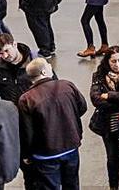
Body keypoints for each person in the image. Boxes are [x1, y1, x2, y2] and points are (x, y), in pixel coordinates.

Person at [16, 57, 87, 188]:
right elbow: (82, 107)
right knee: (72, 184)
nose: (51, 67)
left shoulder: (26, 99)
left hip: (45, 154)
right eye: (48, 66)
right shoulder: (67, 85)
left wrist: (26, 154)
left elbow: (27, 131)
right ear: (43, 72)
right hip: (71, 146)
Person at [88, 46, 119, 190]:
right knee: (112, 158)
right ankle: (113, 186)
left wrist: (109, 96)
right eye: (113, 61)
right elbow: (95, 99)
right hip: (108, 124)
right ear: (107, 61)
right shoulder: (99, 75)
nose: (117, 65)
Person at [0, 33, 34, 103]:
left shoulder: (36, 62)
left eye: (7, 50)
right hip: (11, 111)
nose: (5, 56)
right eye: (0, 53)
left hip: (33, 110)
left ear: (14, 45)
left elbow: (51, 87)